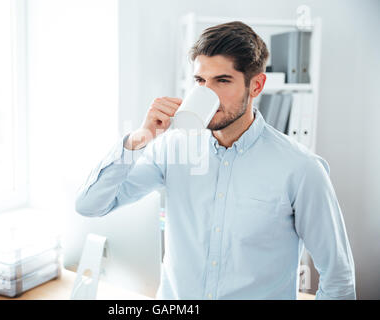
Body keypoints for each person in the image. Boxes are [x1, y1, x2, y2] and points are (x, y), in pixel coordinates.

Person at [75, 21, 356, 300]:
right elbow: (90, 206)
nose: (207, 93)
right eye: (200, 81)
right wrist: (138, 139)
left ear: (256, 85)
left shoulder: (301, 169)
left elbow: (338, 279)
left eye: (222, 81)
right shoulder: (172, 149)